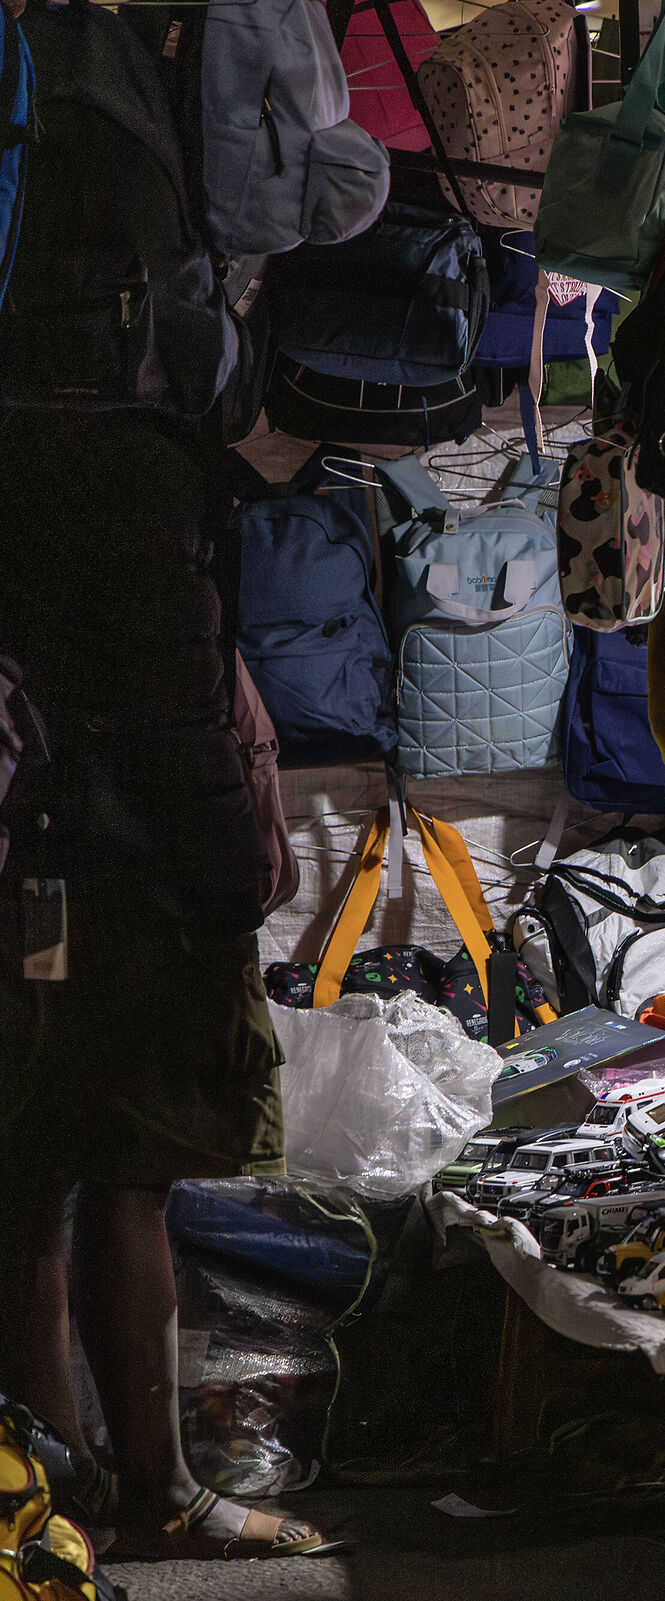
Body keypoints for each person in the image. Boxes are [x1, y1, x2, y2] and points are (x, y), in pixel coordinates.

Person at [0, 412, 320, 1559]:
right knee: (126, 1170)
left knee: (35, 1178)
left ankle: (54, 1489)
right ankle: (147, 1491)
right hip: (126, 869)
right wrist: (228, 872)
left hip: (45, 863)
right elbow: (176, 715)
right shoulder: (135, 465)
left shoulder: (45, 442)